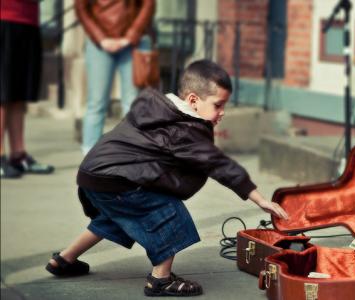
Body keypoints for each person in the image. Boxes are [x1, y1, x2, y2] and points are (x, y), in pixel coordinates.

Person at [45, 60, 289, 297]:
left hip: (93, 175)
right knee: (168, 212)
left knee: (115, 216)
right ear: (193, 100)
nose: (222, 112)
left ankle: (64, 260)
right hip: (117, 179)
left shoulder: (157, 107)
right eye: (218, 105)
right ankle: (160, 280)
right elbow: (219, 165)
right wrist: (259, 199)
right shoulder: (185, 130)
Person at [75, 0, 155, 154]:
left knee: (133, 104)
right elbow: (81, 7)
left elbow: (148, 4)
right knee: (96, 102)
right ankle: (90, 156)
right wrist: (101, 38)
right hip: (99, 43)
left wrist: (130, 36)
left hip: (134, 42)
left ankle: (131, 154)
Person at [0, 0, 55, 178]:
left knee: (19, 93)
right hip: (4, 18)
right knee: (3, 91)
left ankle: (18, 154)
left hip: (28, 21)